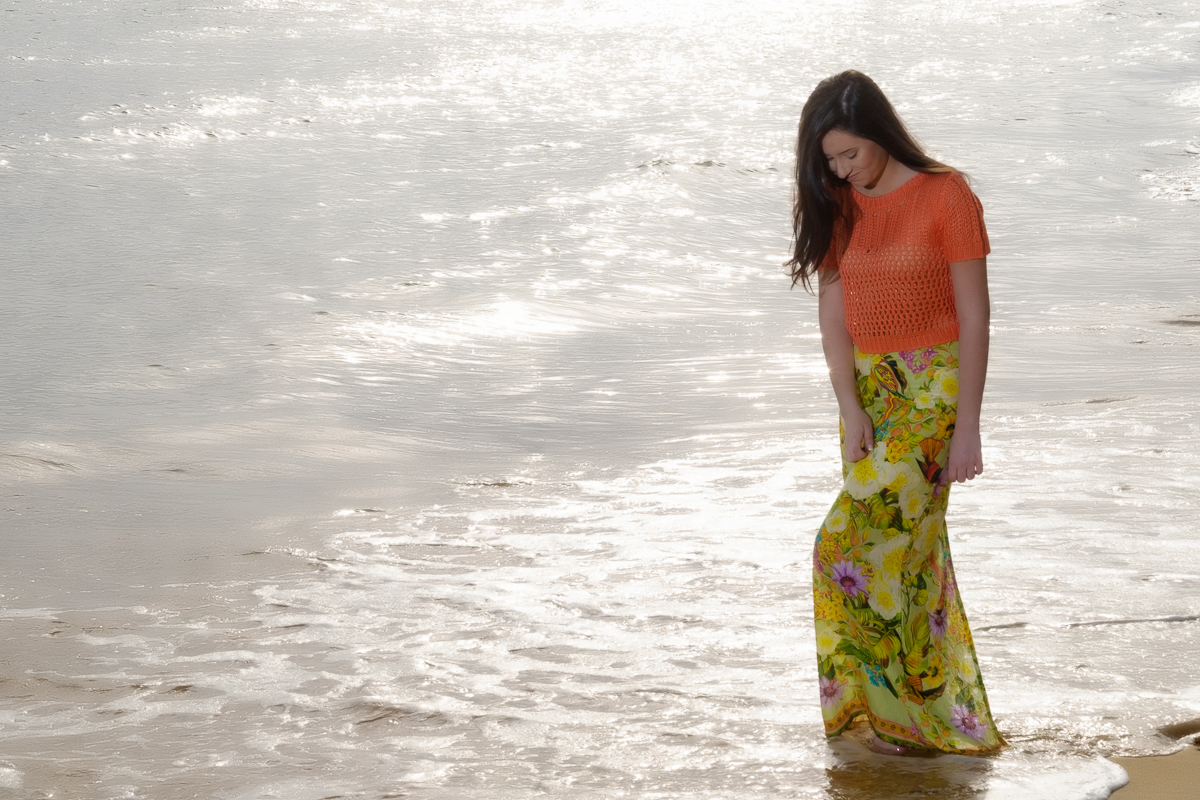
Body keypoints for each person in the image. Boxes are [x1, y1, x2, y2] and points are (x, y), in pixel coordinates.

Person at [787, 71, 1004, 755]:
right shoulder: (842, 205)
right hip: (870, 395)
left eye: (850, 154)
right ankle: (919, 722)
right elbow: (832, 312)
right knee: (909, 558)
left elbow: (974, 315)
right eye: (830, 161)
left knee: (841, 548)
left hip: (933, 391)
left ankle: (889, 714)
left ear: (880, 132)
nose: (842, 170)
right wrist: (849, 407)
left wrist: (967, 423)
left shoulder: (947, 196)